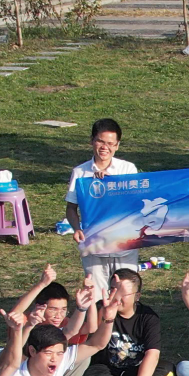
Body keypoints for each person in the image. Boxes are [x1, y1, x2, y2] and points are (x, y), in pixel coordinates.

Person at [66, 118, 139, 296]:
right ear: (92, 141)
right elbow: (71, 208)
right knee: (96, 296)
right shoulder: (80, 172)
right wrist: (76, 229)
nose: (105, 147)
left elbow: (135, 205)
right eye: (100, 141)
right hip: (94, 245)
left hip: (124, 245)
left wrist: (111, 183)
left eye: (110, 143)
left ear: (117, 145)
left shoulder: (127, 169)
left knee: (125, 294)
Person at [83, 268, 166, 376]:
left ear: (137, 296)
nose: (117, 297)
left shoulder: (148, 317)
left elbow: (152, 354)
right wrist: (105, 312)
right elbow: (91, 330)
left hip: (136, 371)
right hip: (106, 370)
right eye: (113, 290)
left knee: (167, 371)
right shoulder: (102, 307)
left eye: (123, 293)